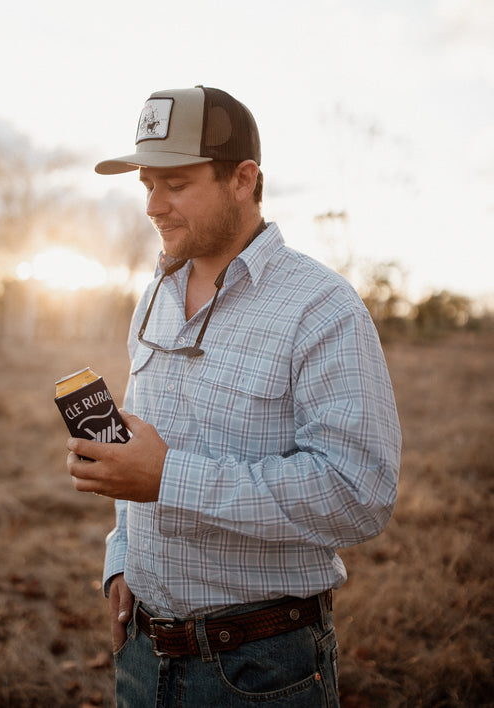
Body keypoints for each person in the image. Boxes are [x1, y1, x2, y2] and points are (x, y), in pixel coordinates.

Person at [67, 85, 401, 707]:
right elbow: (141, 447)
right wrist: (121, 555)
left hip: (260, 668)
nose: (153, 206)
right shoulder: (155, 296)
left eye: (176, 183)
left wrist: (169, 478)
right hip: (142, 655)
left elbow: (360, 494)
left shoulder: (321, 309)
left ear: (243, 179)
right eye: (146, 184)